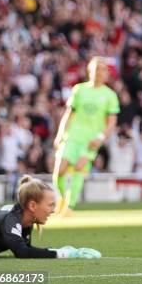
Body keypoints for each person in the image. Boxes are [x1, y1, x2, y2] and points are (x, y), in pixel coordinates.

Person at [52, 57, 120, 216]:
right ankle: (61, 198)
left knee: (78, 168)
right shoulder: (79, 90)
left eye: (103, 69)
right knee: (59, 170)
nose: (99, 72)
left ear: (106, 73)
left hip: (91, 139)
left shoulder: (110, 95)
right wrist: (60, 134)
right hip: (73, 136)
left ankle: (70, 206)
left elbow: (111, 123)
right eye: (97, 69)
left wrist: (101, 138)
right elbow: (68, 114)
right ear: (90, 71)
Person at [0, 175, 101, 258]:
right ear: (33, 206)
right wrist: (64, 254)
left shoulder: (26, 220)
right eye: (50, 205)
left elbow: (27, 249)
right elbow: (22, 252)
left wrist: (56, 250)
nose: (53, 210)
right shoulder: (11, 219)